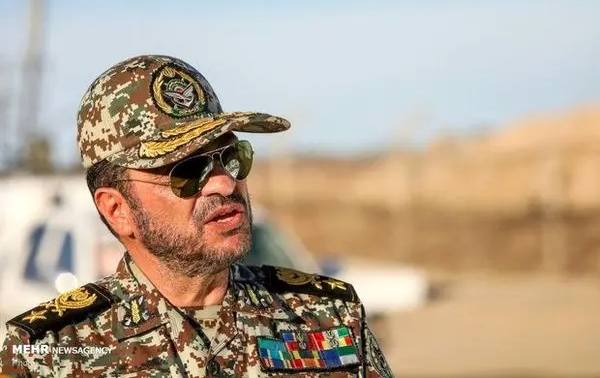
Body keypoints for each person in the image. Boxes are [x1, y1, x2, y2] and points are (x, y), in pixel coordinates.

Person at [0, 55, 394, 377]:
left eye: (232, 157)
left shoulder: (329, 317)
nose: (224, 183)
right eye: (187, 172)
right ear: (117, 210)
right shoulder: (46, 356)